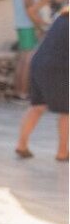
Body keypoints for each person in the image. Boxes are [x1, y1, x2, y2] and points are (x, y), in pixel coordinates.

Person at [16, 10, 68, 161]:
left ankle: (22, 145)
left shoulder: (62, 17)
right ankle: (62, 152)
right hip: (59, 67)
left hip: (39, 63)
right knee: (67, 111)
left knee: (37, 105)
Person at [14, 0, 47, 95]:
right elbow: (30, 6)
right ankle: (23, 92)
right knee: (28, 59)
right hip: (28, 24)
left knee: (23, 59)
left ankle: (18, 92)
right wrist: (40, 25)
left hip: (21, 24)